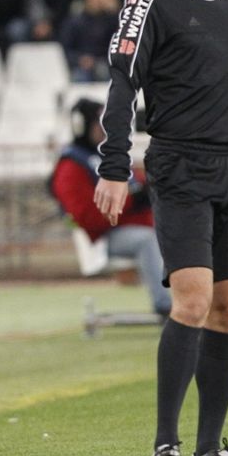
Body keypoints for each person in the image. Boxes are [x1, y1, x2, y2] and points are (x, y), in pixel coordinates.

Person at [94, 0, 228, 456]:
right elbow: (121, 84)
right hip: (181, 166)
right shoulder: (152, 0)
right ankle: (164, 447)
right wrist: (114, 165)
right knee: (192, 299)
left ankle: (210, 448)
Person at [49, 99, 171, 317]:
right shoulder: (71, 166)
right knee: (148, 240)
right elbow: (88, 216)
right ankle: (165, 304)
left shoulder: (108, 154)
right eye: (99, 123)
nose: (106, 128)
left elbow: (139, 184)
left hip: (139, 224)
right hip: (104, 236)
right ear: (84, 126)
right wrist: (133, 201)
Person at [60, 0, 122, 82]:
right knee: (80, 76)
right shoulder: (75, 21)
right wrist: (80, 59)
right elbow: (64, 50)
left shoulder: (114, 19)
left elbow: (123, 45)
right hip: (82, 66)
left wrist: (117, 14)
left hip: (106, 65)